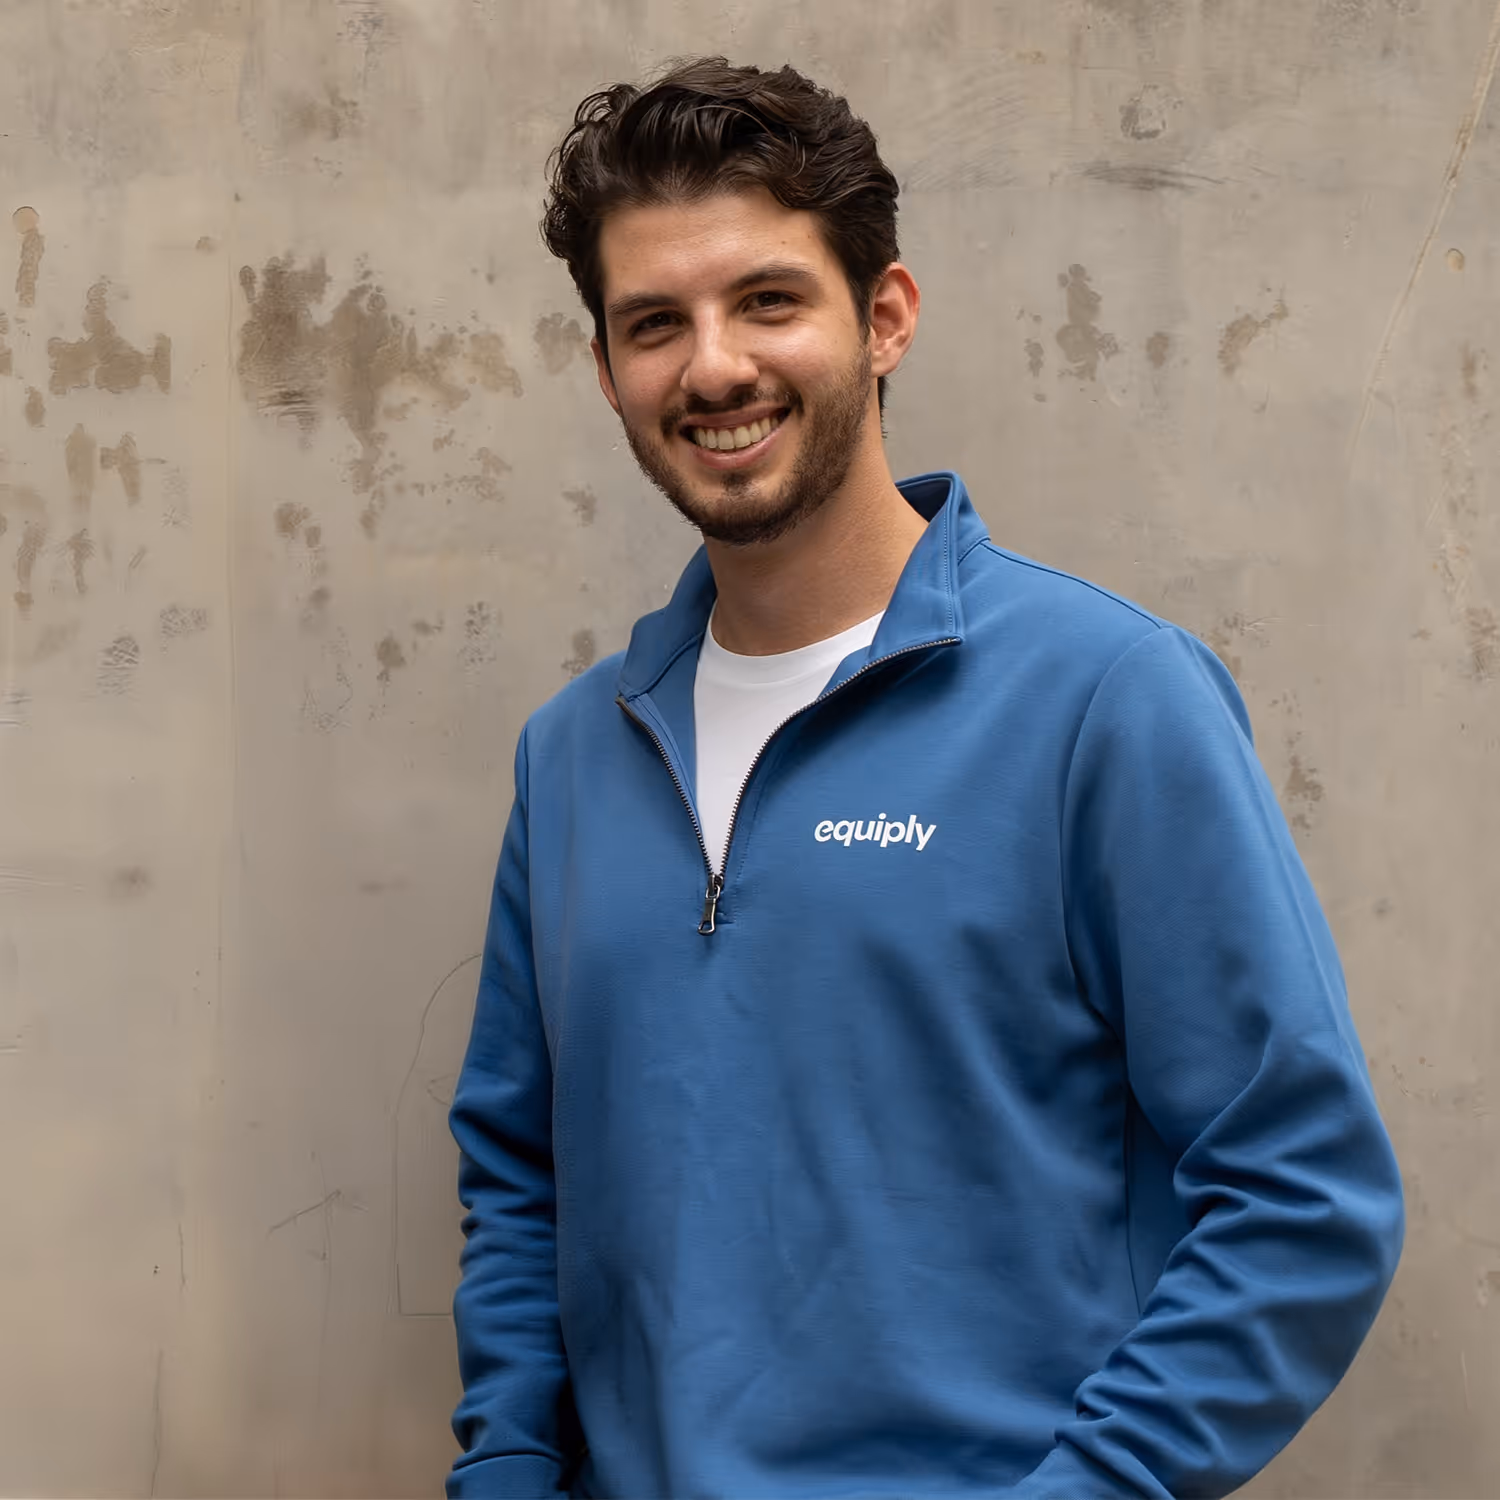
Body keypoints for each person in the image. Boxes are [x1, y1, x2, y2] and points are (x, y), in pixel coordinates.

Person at [445, 56, 1404, 1500]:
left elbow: (1305, 1201)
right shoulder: (577, 752)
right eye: (655, 324)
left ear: (883, 317)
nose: (712, 367)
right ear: (606, 371)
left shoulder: (1105, 699)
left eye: (769, 300)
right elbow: (521, 1187)